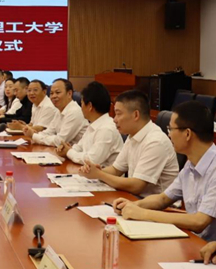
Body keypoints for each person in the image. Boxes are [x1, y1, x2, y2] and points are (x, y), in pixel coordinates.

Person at [112, 101, 216, 240]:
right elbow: (163, 199)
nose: (169, 135)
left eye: (171, 129)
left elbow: (199, 222)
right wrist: (132, 205)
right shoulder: (190, 165)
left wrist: (143, 213)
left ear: (187, 134)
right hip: (191, 239)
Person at [79, 90, 179, 197]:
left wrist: (100, 175)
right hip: (137, 199)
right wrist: (93, 171)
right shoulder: (132, 135)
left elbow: (136, 186)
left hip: (158, 204)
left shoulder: (155, 141)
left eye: (118, 114)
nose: (114, 119)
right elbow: (116, 170)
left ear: (135, 115)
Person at [56, 81, 123, 166]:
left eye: (82, 103)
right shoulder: (94, 124)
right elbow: (79, 147)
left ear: (90, 106)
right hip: (87, 171)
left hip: (102, 174)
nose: (81, 107)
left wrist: (69, 152)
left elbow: (91, 160)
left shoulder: (107, 129)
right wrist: (66, 149)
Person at [23, 79, 88, 147]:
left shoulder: (74, 112)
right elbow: (49, 131)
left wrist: (34, 136)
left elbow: (60, 141)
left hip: (78, 152)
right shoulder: (59, 110)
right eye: (51, 93)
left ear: (69, 94)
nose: (53, 96)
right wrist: (35, 135)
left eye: (57, 92)